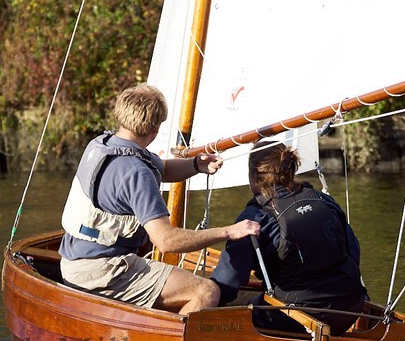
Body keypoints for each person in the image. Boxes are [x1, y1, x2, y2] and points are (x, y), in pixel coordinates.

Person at [59, 84, 259, 315]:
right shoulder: (136, 172)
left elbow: (161, 168)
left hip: (73, 260)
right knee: (206, 292)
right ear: (155, 128)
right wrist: (228, 232)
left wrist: (196, 165)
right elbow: (166, 241)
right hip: (102, 272)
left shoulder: (103, 144)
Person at [210, 141, 367, 335]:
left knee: (233, 314)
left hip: (297, 317)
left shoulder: (254, 217)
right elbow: (353, 252)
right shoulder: (323, 200)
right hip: (351, 306)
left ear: (253, 177)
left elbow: (228, 280)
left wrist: (205, 296)